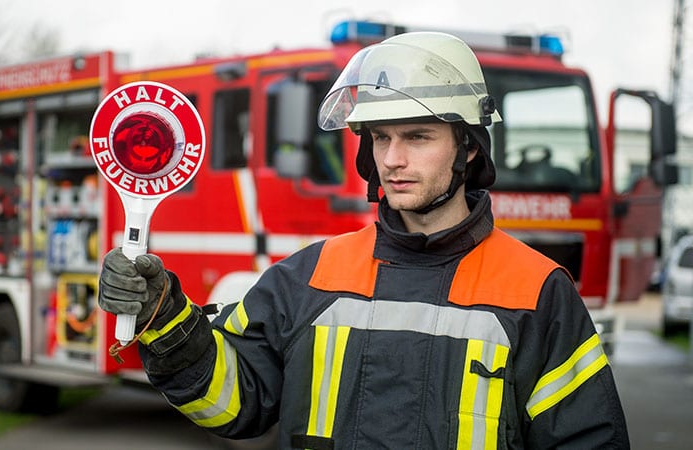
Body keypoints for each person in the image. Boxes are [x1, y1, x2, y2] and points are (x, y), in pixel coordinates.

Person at [98, 31, 629, 449]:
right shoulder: (307, 276)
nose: (393, 159)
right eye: (380, 138)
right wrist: (165, 318)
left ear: (468, 148)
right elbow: (234, 404)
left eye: (417, 137)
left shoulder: (538, 292)